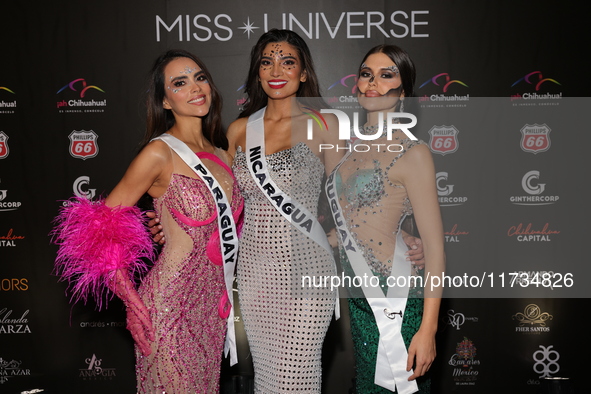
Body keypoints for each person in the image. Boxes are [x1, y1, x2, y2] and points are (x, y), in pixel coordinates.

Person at [53, 49, 243, 393]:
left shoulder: (223, 152)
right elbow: (94, 230)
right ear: (165, 101)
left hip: (212, 309)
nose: (195, 88)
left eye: (199, 78)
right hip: (169, 307)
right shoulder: (159, 152)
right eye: (180, 83)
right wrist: (130, 300)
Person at [325, 45, 444, 393]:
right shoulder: (349, 150)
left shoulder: (413, 152)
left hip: (396, 300)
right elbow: (351, 226)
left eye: (386, 75)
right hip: (360, 299)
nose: (373, 82)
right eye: (366, 74)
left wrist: (428, 330)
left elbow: (435, 250)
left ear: (403, 91)